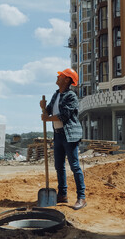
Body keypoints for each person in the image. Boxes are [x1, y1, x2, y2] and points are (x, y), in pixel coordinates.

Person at [40, 68, 87, 210]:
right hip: (58, 134)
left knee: (74, 166)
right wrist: (44, 109)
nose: (58, 76)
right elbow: (48, 111)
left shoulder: (71, 96)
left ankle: (81, 197)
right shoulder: (56, 95)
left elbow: (64, 115)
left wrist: (47, 118)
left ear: (67, 80)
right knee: (59, 166)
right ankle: (63, 194)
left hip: (70, 135)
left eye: (61, 75)